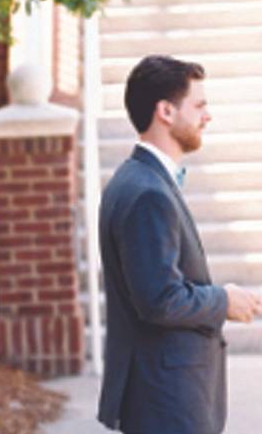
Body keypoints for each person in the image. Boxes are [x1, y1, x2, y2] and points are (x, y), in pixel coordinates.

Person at [97, 54, 262, 433]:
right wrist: (224, 301)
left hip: (162, 394)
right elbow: (160, 300)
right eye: (200, 105)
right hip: (167, 401)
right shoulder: (147, 193)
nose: (208, 116)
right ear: (166, 112)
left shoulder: (137, 179)